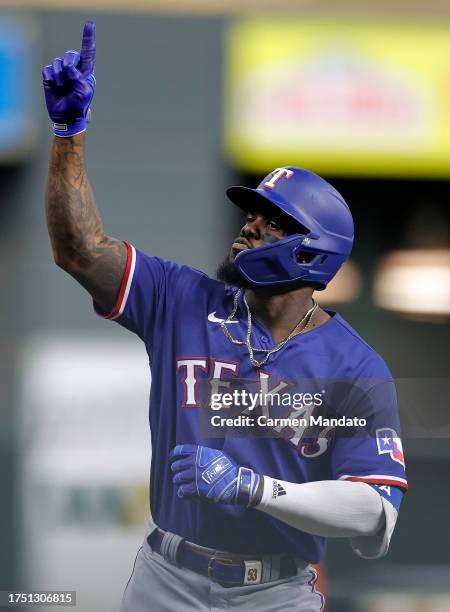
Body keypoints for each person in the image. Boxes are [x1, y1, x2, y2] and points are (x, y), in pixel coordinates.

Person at [42, 22, 408, 612]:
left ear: (312, 251)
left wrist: (256, 490)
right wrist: (69, 133)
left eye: (272, 219)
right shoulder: (181, 298)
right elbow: (78, 250)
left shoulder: (354, 365)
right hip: (166, 577)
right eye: (252, 212)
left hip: (277, 592)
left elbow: (374, 512)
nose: (250, 224)